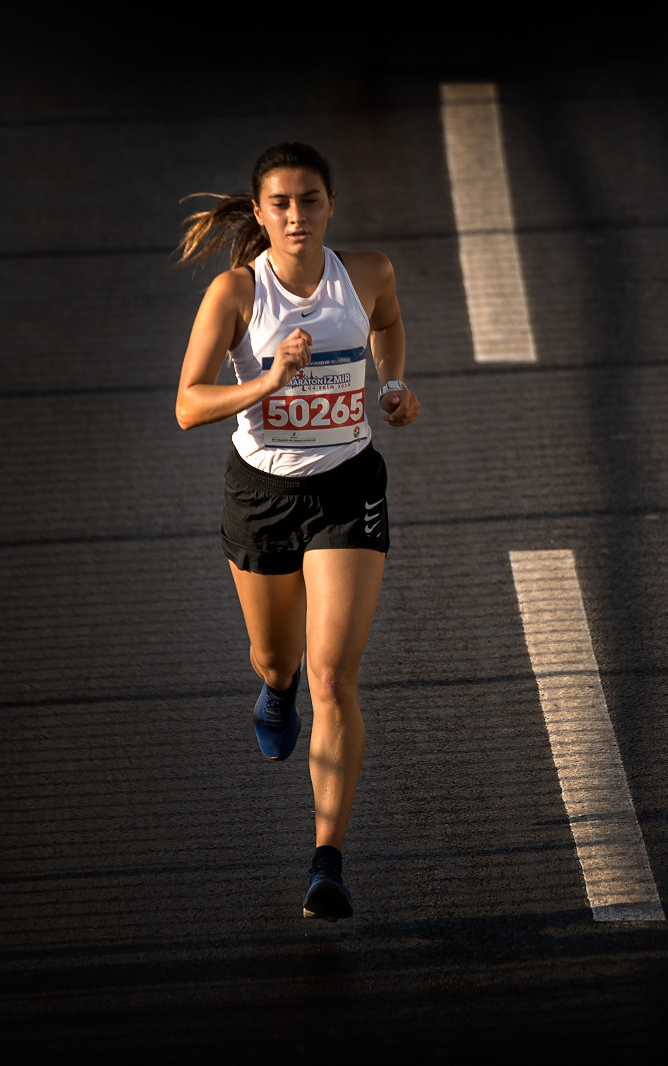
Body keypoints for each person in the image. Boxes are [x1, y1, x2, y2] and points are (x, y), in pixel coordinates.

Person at [172, 142, 419, 920]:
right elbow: (187, 404)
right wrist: (270, 380)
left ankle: (327, 864)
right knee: (278, 660)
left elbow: (387, 322)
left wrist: (395, 383)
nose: (296, 215)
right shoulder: (235, 294)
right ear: (259, 212)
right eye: (280, 203)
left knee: (332, 675)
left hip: (348, 489)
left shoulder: (367, 273)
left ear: (330, 205)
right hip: (263, 496)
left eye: (309, 200)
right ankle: (272, 689)